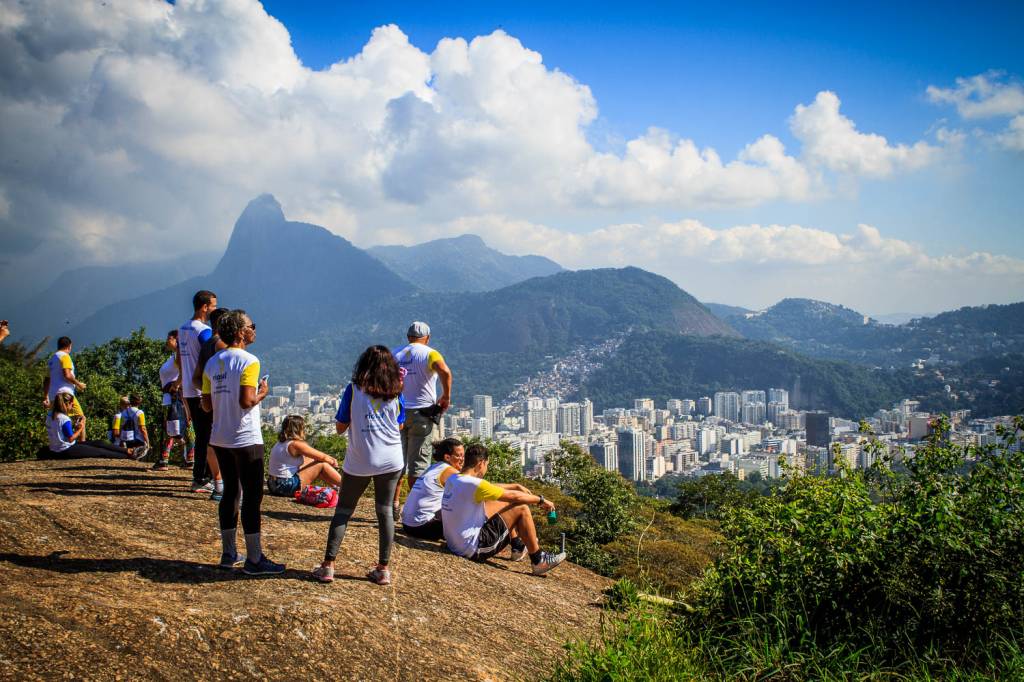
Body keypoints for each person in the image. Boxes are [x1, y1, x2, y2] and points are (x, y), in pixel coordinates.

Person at [312, 346, 406, 585]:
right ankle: (383, 568)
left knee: (344, 510)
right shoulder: (396, 392)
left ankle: (328, 566)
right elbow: (400, 426)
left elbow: (340, 427)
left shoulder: (353, 390)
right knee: (385, 511)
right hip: (392, 459)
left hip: (360, 459)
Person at [201, 309, 282, 575]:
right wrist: (262, 393)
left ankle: (228, 553)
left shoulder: (212, 363)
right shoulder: (250, 361)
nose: (254, 330)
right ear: (240, 332)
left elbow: (205, 404)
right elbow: (246, 401)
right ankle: (255, 559)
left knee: (230, 494)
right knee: (252, 497)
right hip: (245, 437)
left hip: (220, 436)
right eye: (251, 326)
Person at [441, 444, 566, 576]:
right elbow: (515, 497)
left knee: (499, 501)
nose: (486, 469)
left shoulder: (454, 479)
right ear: (481, 463)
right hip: (472, 547)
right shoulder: (475, 485)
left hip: (454, 543)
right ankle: (538, 560)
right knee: (521, 507)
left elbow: (490, 488)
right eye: (487, 465)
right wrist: (541, 500)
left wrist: (515, 486)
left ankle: (517, 547)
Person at [392, 321, 453, 516]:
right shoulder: (430, 353)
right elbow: (445, 371)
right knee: (418, 463)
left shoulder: (395, 354)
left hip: (397, 412)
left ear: (408, 337)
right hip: (422, 414)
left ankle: (393, 504)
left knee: (396, 460)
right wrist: (446, 396)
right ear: (427, 337)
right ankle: (414, 507)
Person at [177, 290, 217, 494]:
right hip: (202, 390)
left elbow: (178, 359)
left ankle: (201, 476)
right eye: (213, 306)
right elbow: (211, 356)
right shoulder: (204, 331)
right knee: (208, 436)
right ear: (204, 307)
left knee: (202, 434)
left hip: (189, 389)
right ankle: (202, 477)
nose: (214, 310)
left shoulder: (182, 329)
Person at [192, 307, 228, 500]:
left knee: (210, 440)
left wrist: (208, 393)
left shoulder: (207, 344)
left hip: (207, 401)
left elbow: (196, 377)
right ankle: (223, 484)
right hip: (221, 403)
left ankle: (218, 483)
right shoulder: (222, 346)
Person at [39, 392, 139, 460]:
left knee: (99, 443)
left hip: (56, 448)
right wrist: (81, 427)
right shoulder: (64, 419)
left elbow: (61, 434)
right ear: (66, 404)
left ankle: (127, 450)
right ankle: (127, 455)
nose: (73, 406)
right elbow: (71, 438)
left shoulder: (50, 416)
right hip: (66, 450)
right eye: (71, 404)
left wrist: (77, 428)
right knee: (99, 451)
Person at [400, 438, 464, 540]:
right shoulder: (451, 472)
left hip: (407, 525)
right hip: (424, 527)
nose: (462, 459)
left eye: (463, 456)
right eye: (458, 456)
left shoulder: (432, 467)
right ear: (447, 457)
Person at [267, 415, 342, 497]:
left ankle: (336, 487)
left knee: (312, 460)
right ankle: (345, 486)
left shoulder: (282, 442)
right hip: (285, 486)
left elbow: (314, 457)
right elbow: (323, 457)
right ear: (298, 429)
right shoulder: (295, 444)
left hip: (273, 485)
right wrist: (333, 461)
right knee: (321, 464)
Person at [157, 330, 194, 471]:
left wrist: (177, 384)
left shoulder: (178, 355)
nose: (167, 340)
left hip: (175, 396)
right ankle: (189, 458)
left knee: (171, 426)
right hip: (174, 396)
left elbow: (184, 371)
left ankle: (164, 459)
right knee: (179, 426)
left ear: (175, 339)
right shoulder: (175, 355)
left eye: (169, 338)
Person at [42, 337, 86, 420]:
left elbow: (47, 380)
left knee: (58, 420)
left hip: (53, 396)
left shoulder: (52, 359)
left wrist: (46, 397)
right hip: (65, 395)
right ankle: (75, 433)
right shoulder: (65, 356)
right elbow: (67, 375)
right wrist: (79, 384)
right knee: (81, 419)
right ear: (69, 346)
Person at [118, 394, 151, 461]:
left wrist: (121, 439)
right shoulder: (140, 413)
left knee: (130, 456)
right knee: (138, 457)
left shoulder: (124, 412)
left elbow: (121, 427)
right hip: (138, 439)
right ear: (139, 402)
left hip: (128, 438)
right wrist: (147, 441)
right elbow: (143, 429)